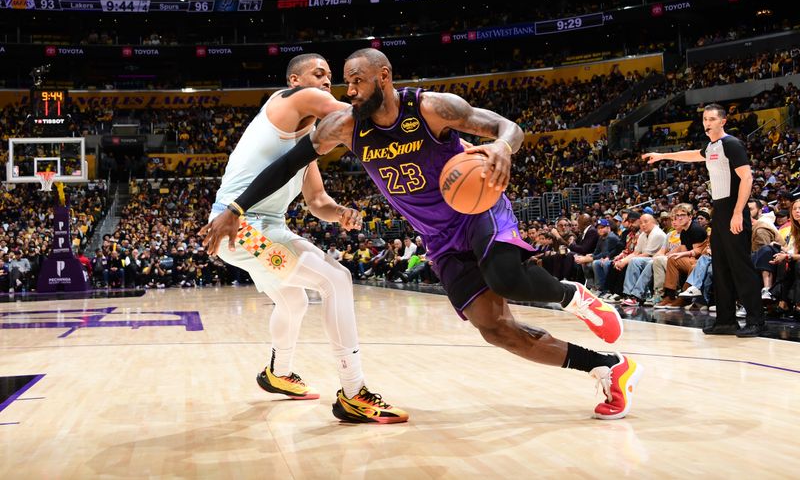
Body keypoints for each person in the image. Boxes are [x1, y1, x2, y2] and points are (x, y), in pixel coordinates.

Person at [203, 48, 641, 420]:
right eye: (341, 82)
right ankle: (605, 367)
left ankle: (578, 299)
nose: (346, 91)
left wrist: (502, 147)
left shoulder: (431, 107)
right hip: (432, 237)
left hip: (477, 210)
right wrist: (236, 208)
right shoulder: (339, 124)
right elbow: (285, 165)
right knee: (496, 328)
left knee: (503, 277)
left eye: (354, 81)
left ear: (385, 77)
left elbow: (508, 128)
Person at [199, 53, 407, 424]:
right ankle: (354, 391)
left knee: (293, 302)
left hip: (265, 228)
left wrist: (340, 212)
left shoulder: (307, 143)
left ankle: (278, 372)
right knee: (336, 279)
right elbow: (350, 114)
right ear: (295, 81)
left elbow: (317, 202)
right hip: (241, 226)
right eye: (319, 73)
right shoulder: (292, 100)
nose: (328, 81)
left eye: (331, 76)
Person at [643, 103, 764, 337]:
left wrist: (739, 212)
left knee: (741, 267)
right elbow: (691, 156)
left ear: (723, 121)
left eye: (711, 119)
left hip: (733, 209)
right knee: (720, 267)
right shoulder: (711, 147)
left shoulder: (732, 144)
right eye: (705, 119)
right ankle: (726, 320)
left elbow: (747, 178)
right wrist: (663, 155)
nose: (707, 123)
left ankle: (756, 320)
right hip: (718, 211)